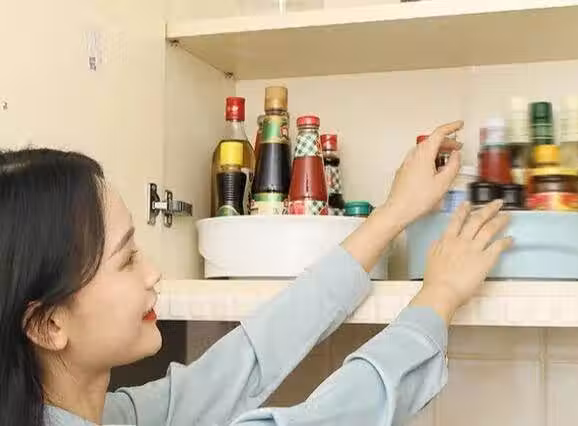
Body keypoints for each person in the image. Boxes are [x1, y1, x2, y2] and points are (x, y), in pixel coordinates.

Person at [0, 120, 512, 426]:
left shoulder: (110, 416)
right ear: (48, 324)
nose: (153, 273)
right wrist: (440, 296)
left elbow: (245, 360)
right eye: (127, 258)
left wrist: (393, 215)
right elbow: (338, 415)